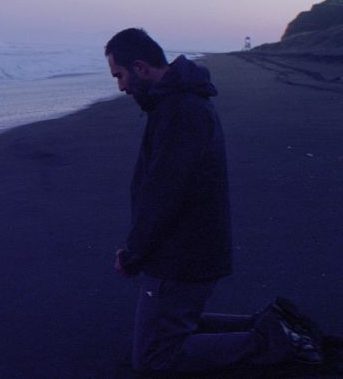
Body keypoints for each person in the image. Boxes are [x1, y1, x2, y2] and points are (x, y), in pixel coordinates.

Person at [105, 28, 324, 373]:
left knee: (152, 357)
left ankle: (274, 340)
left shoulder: (179, 111)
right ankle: (267, 323)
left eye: (120, 75)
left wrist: (133, 255)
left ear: (141, 67)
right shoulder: (178, 103)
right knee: (174, 326)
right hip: (190, 249)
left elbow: (163, 195)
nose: (120, 86)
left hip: (180, 258)